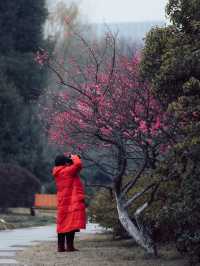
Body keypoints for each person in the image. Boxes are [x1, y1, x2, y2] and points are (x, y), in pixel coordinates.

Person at [52, 154, 86, 252]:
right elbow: (78, 164)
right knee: (71, 223)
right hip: (71, 200)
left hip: (63, 201)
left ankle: (61, 247)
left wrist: (70, 158)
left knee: (62, 223)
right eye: (67, 161)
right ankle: (70, 247)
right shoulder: (67, 171)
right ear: (64, 163)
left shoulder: (58, 172)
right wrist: (74, 157)